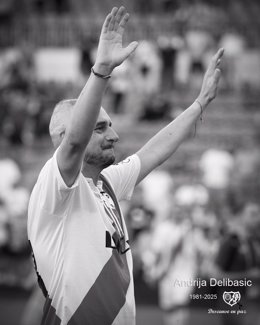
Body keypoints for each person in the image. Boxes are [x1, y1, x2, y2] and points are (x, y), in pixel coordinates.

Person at [27, 6, 224, 325]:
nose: (115, 135)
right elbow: (75, 142)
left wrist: (199, 104)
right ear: (65, 136)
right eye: (101, 127)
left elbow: (154, 151)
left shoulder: (106, 183)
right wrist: (102, 70)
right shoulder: (56, 188)